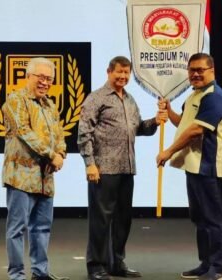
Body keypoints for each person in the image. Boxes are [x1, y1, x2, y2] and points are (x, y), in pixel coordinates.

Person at [77, 56, 168, 280]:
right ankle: (96, 265)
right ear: (109, 71)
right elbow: (84, 133)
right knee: (101, 220)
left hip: (127, 168)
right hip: (104, 168)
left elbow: (139, 129)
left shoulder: (129, 99)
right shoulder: (96, 98)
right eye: (119, 72)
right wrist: (90, 164)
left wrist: (156, 121)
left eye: (127, 73)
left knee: (123, 219)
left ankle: (116, 262)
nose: (123, 77)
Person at [156, 53, 222, 280]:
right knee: (200, 218)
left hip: (210, 167)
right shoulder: (194, 96)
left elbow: (196, 130)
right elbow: (184, 123)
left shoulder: (215, 96)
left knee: (213, 218)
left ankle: (220, 268)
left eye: (201, 70)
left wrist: (169, 151)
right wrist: (169, 111)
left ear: (212, 71)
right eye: (192, 70)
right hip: (195, 167)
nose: (196, 74)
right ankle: (206, 263)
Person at [2, 57, 69, 280]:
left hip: (45, 179)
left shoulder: (50, 105)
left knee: (42, 229)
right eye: (40, 77)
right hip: (21, 177)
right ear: (28, 76)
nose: (45, 82)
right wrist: (51, 154)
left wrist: (60, 154)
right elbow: (23, 131)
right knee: (17, 229)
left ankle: (41, 273)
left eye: (49, 79)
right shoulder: (15, 99)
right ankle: (17, 275)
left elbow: (60, 134)